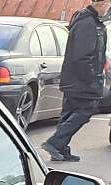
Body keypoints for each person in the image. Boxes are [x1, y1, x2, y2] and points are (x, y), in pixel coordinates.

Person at [41, 0, 109, 162]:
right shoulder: (88, 23)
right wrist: (91, 80)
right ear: (103, 3)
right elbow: (82, 57)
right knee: (85, 111)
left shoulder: (90, 21)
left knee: (70, 113)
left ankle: (60, 148)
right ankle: (55, 143)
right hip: (81, 80)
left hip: (75, 79)